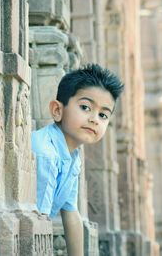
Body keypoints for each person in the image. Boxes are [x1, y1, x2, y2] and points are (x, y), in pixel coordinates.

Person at [31, 64, 124, 255]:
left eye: (103, 115)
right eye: (85, 107)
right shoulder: (46, 153)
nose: (94, 119)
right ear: (57, 110)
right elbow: (38, 220)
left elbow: (71, 214)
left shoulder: (72, 156)